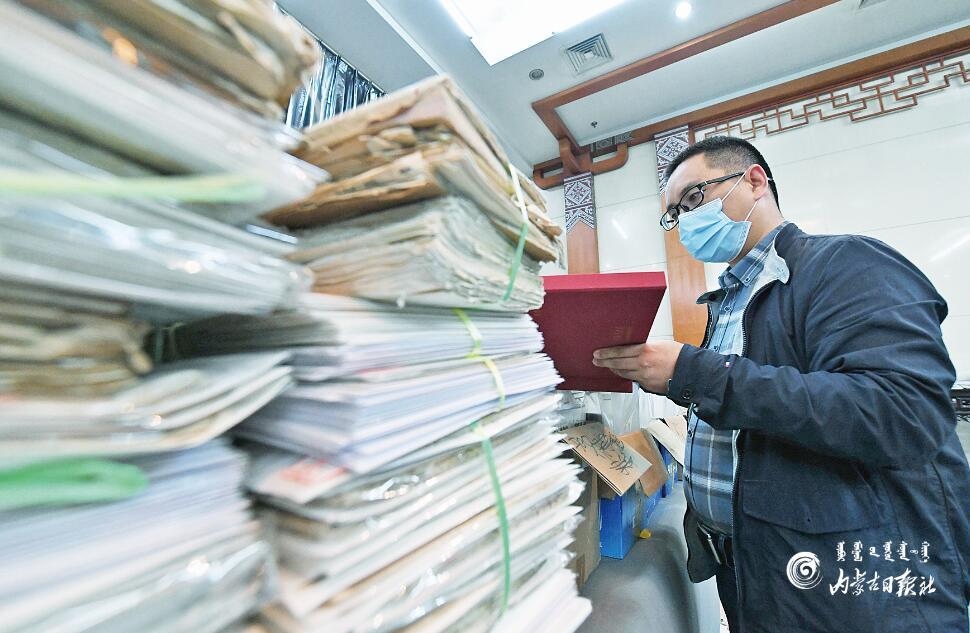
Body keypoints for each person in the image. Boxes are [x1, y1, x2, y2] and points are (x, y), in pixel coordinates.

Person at [592, 136, 970, 632]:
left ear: (754, 181)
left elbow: (903, 413)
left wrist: (694, 373)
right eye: (675, 214)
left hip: (852, 582)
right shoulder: (729, 300)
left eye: (694, 198)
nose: (685, 220)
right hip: (756, 566)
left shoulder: (845, 264)